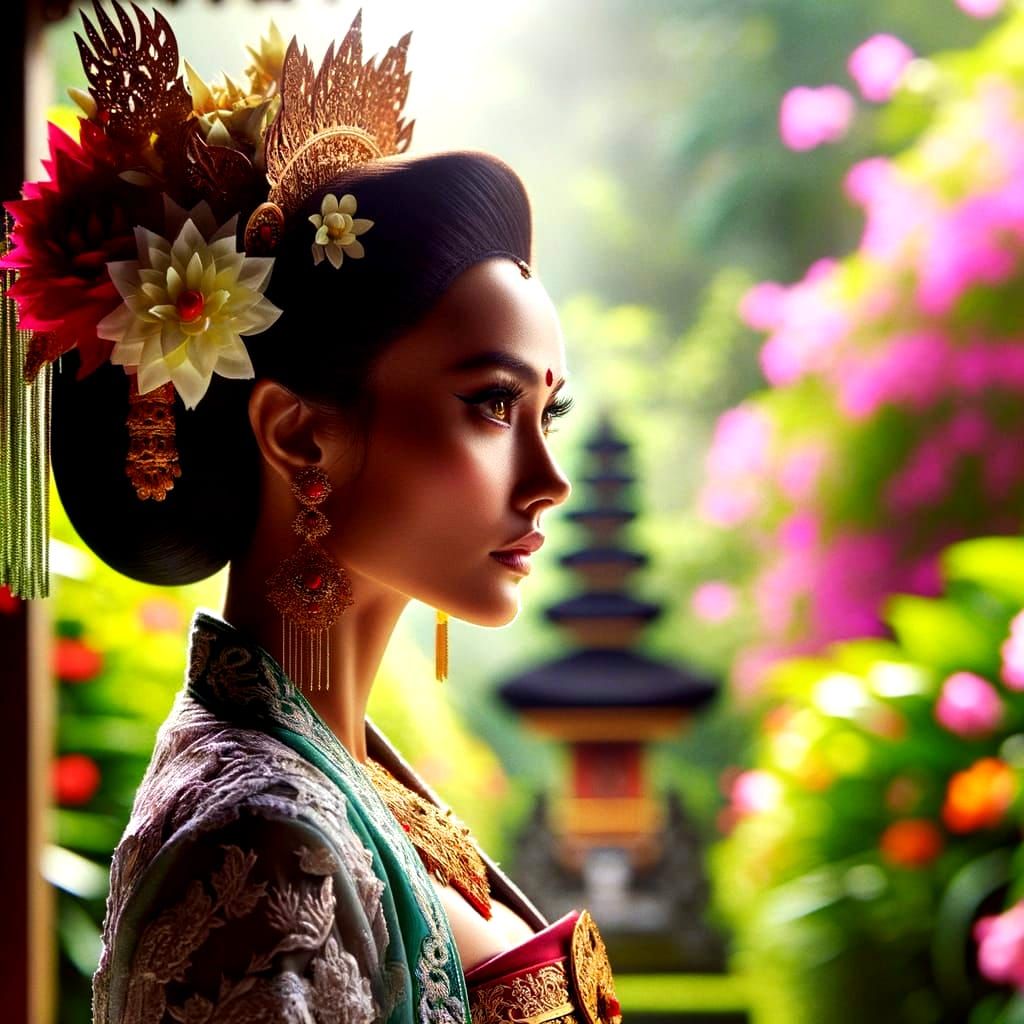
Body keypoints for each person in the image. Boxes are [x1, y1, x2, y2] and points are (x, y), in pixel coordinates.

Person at [0, 4, 623, 1022]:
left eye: (548, 407)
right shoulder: (259, 834)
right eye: (492, 404)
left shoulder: (346, 777)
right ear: (296, 436)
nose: (548, 475)